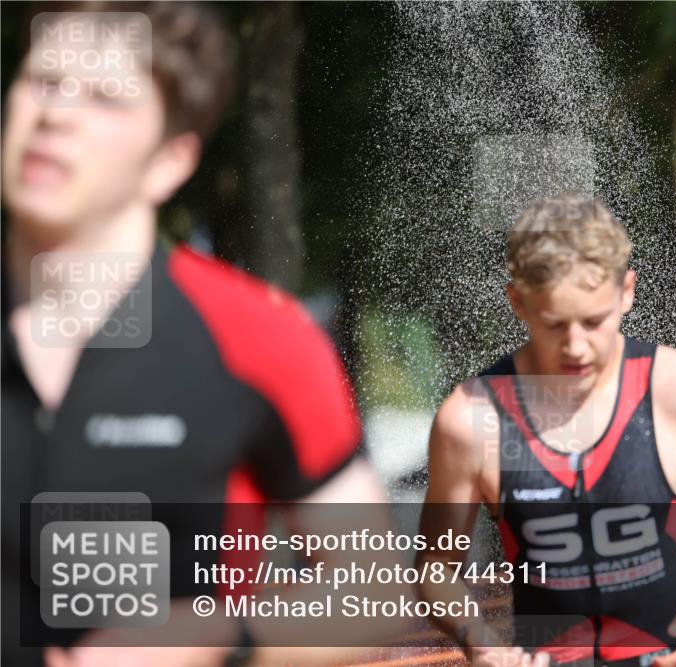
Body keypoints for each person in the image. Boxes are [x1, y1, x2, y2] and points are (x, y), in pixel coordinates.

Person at [1, 3, 395, 666]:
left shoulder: (259, 340)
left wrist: (221, 637)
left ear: (170, 161)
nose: (56, 114)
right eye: (43, 82)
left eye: (104, 97)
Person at [418, 193, 676, 667]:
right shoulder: (471, 420)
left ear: (627, 292)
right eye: (554, 324)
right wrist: (477, 636)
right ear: (517, 301)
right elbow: (435, 568)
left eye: (594, 322)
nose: (576, 346)